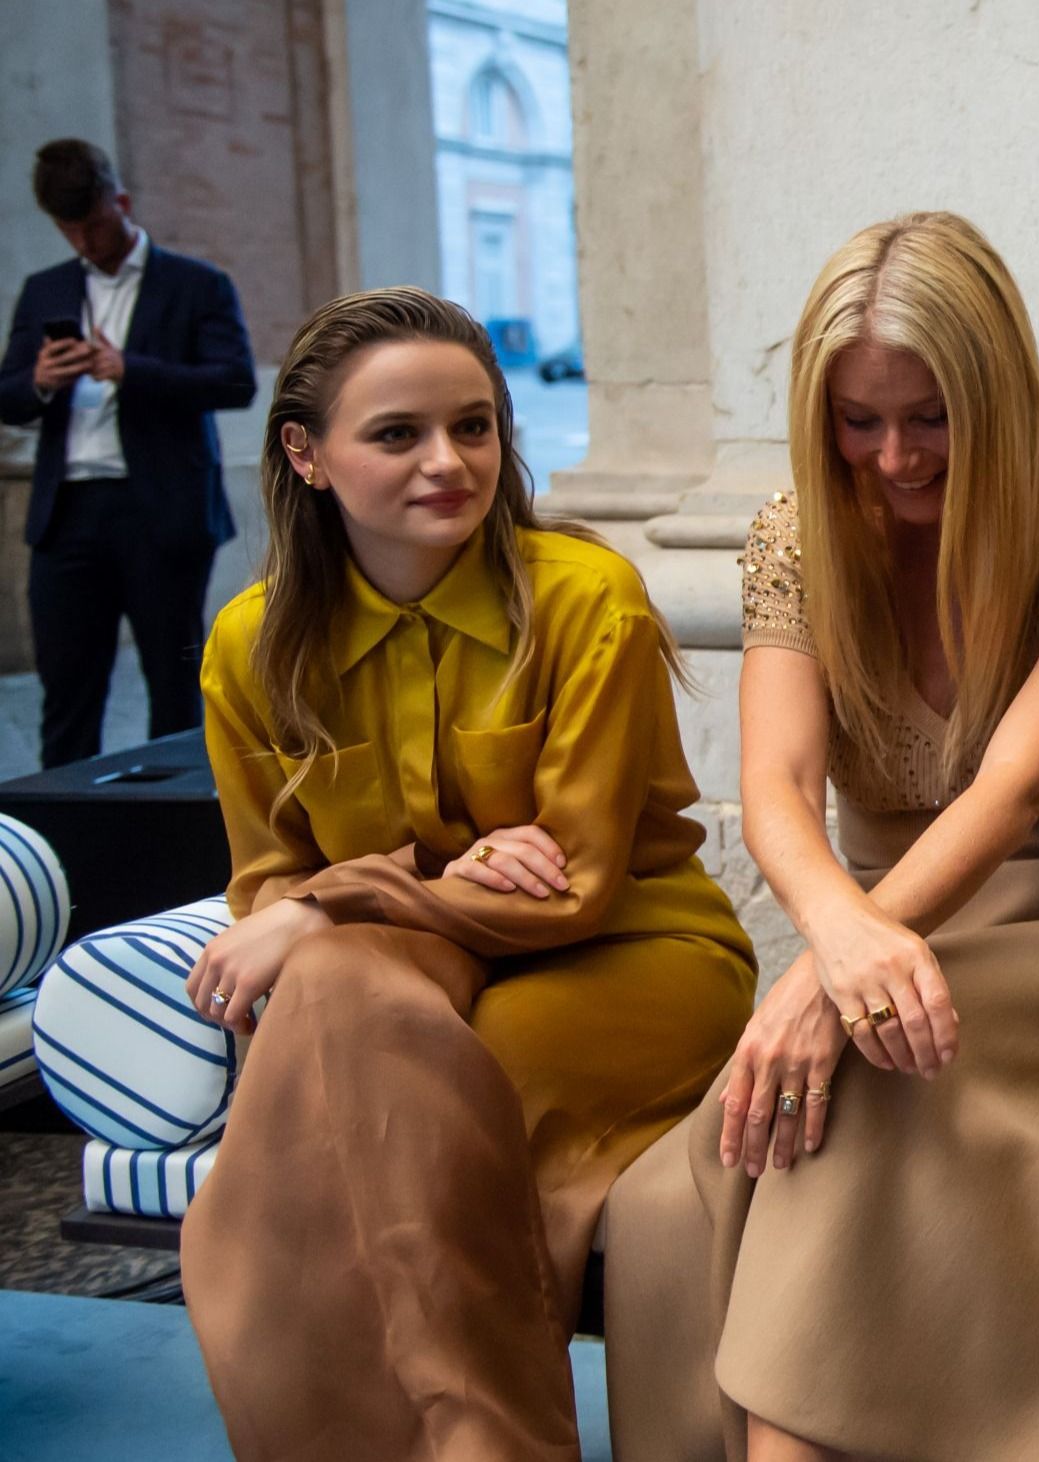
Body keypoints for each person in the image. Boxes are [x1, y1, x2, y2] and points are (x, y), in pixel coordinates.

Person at [602, 212, 1039, 1462]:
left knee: (849, 1076)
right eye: (858, 420)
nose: (896, 455)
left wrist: (835, 974)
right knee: (691, 1188)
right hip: (872, 936)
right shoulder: (794, 534)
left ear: (997, 394)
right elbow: (774, 785)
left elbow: (1010, 791)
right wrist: (838, 948)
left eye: (930, 416)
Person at [180, 287, 755, 1461]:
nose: (449, 462)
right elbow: (266, 889)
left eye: (474, 425)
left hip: (629, 955)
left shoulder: (585, 597)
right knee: (348, 995)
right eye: (398, 434)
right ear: (306, 454)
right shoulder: (249, 644)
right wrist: (421, 877)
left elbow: (574, 882)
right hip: (400, 969)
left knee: (405, 1102)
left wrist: (347, 889)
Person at [0, 138, 254, 767]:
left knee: (173, 686)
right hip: (67, 514)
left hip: (162, 510)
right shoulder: (45, 290)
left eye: (93, 225)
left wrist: (129, 368)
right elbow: (9, 397)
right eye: (69, 231)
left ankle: (172, 817)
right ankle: (63, 818)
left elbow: (236, 382)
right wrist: (41, 379)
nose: (84, 242)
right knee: (68, 690)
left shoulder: (198, 284)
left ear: (122, 203)